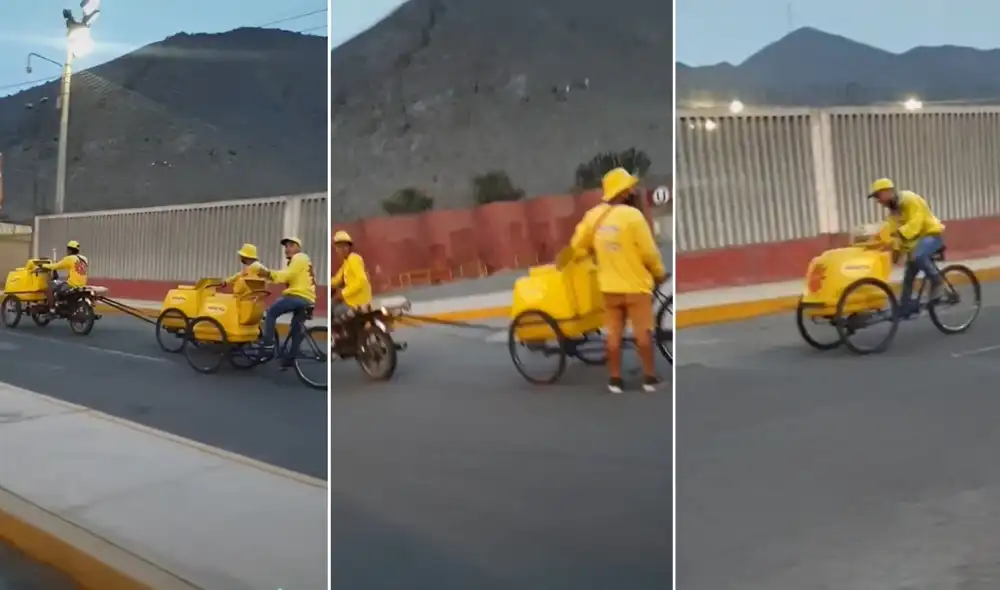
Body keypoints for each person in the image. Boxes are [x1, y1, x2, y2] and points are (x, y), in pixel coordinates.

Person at [568, 167, 668, 394]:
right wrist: (659, 272)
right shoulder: (633, 216)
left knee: (613, 334)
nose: (634, 190)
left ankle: (615, 381)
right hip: (635, 287)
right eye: (630, 188)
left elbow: (576, 247)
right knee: (642, 332)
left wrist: (594, 257)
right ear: (623, 192)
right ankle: (649, 379)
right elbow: (649, 253)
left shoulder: (593, 217)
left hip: (609, 288)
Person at [868, 178, 945, 318]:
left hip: (931, 235)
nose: (878, 201)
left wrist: (899, 233)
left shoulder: (909, 199)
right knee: (908, 278)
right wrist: (892, 248)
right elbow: (892, 232)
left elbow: (917, 222)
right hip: (915, 243)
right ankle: (904, 308)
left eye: (878, 196)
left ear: (887, 192)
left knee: (919, 256)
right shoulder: (893, 211)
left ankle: (937, 281)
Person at [261, 237, 317, 367]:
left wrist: (268, 274)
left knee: (271, 313)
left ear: (298, 247)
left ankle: (268, 347)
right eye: (286, 246)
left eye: (291, 245)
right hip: (309, 298)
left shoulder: (299, 258)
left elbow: (287, 275)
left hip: (298, 296)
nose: (287, 249)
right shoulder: (303, 261)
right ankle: (291, 356)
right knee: (296, 326)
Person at [331, 230, 373, 319]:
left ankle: (347, 332)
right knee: (333, 304)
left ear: (347, 247)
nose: (338, 251)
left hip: (358, 302)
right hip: (352, 299)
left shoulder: (354, 259)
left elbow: (361, 280)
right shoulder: (346, 262)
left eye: (341, 247)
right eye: (337, 247)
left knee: (335, 310)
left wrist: (343, 293)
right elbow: (337, 279)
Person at [40, 240, 89, 312]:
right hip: (82, 285)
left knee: (50, 287)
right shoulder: (84, 259)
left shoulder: (69, 258)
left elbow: (55, 266)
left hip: (72, 285)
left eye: (67, 249)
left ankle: (52, 309)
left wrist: (43, 265)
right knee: (61, 284)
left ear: (69, 250)